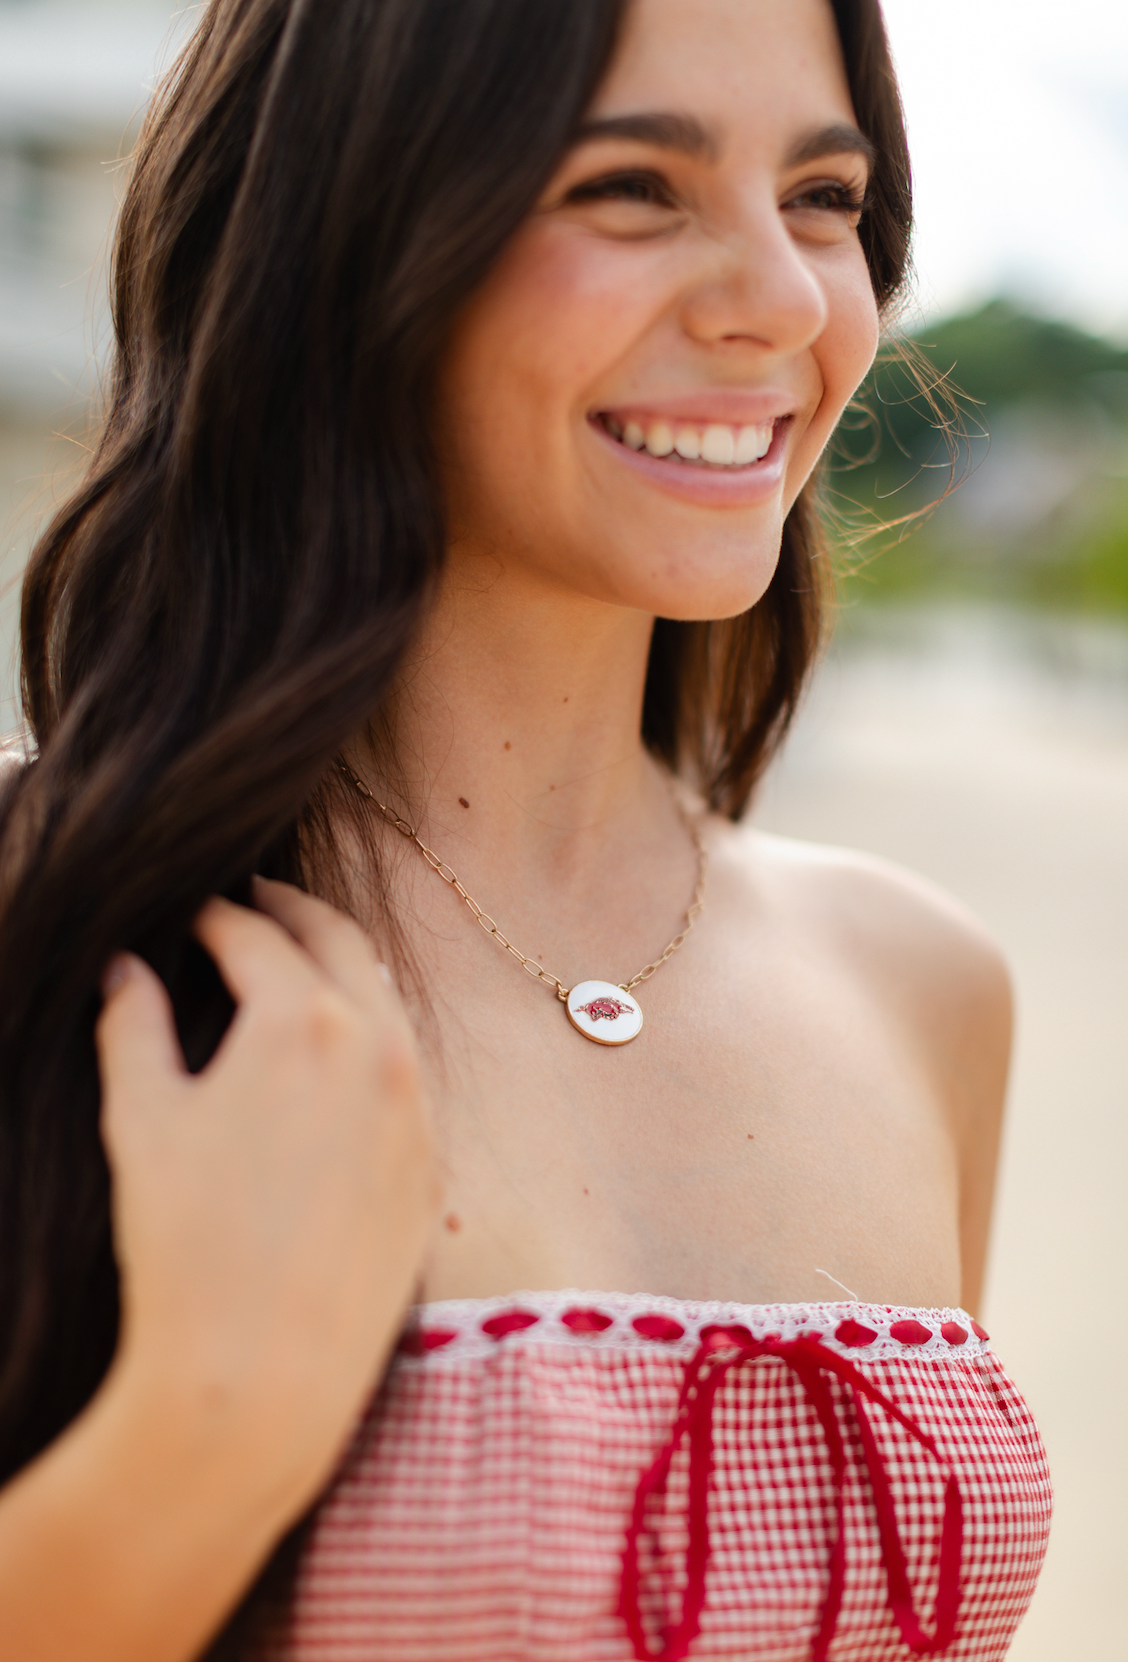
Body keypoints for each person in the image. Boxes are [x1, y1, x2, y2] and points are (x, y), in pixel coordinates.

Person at [0, 0, 1051, 1658]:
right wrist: (209, 1418)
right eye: (631, 187)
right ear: (341, 229)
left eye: (825, 199)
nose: (785, 298)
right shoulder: (45, 916)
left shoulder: (925, 988)